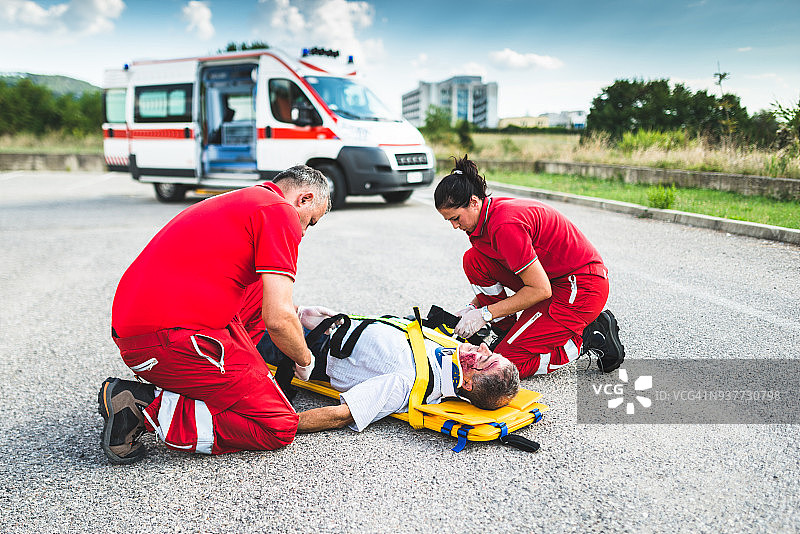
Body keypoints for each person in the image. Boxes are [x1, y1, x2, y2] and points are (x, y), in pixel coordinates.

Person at [98, 165, 335, 465]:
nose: (303, 232)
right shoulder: (281, 212)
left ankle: (223, 380)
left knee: (260, 287)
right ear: (304, 198)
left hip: (142, 331)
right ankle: (143, 406)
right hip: (166, 341)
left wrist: (296, 311)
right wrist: (304, 359)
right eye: (310, 222)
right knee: (278, 425)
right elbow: (277, 318)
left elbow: (262, 299)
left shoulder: (248, 200)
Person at [434, 156, 625, 379]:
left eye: (455, 218)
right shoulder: (481, 223)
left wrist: (485, 314)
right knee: (473, 260)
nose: (454, 226)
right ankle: (504, 331)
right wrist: (471, 309)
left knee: (503, 366)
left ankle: (588, 337)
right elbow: (512, 275)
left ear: (474, 202)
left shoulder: (505, 225)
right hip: (552, 281)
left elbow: (540, 290)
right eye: (449, 221)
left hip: (581, 288)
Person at [251, 299, 521, 433]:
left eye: (485, 359)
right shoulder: (449, 354)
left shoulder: (409, 382)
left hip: (303, 348)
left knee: (234, 324)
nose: (484, 348)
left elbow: (345, 414)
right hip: (326, 324)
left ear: (467, 383)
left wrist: (279, 425)